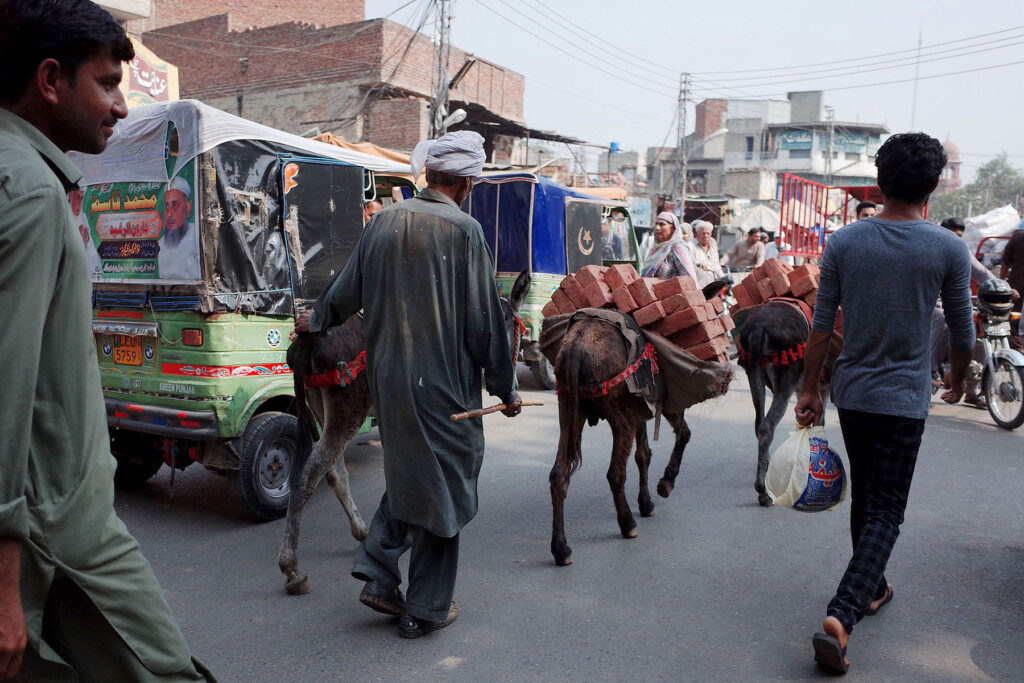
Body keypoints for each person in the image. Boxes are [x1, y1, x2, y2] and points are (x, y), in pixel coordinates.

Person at [0, 1, 212, 679]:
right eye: (107, 83)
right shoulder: (29, 192)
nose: (121, 106)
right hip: (58, 532)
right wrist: (5, 569)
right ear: (50, 80)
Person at [294, 130, 522, 639]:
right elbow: (486, 324)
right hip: (443, 389)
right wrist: (506, 388)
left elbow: (344, 290)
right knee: (448, 488)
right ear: (466, 184)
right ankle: (425, 606)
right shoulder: (465, 231)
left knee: (413, 474)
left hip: (389, 384)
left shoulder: (383, 222)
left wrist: (317, 319)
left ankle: (378, 570)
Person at [794, 133, 973, 674]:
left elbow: (821, 325)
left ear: (879, 180)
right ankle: (843, 613)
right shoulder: (947, 248)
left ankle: (874, 587)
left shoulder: (845, 242)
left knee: (869, 498)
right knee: (887, 510)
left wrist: (809, 389)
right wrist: (958, 379)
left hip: (853, 394)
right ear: (934, 186)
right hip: (903, 399)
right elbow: (962, 330)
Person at [930, 217, 994, 406]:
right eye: (953, 234)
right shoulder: (931, 249)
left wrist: (1001, 287)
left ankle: (973, 390)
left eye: (959, 235)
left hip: (960, 302)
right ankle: (931, 369)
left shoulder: (961, 250)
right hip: (935, 302)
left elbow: (982, 273)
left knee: (979, 334)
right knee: (942, 318)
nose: (956, 239)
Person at [157, 174, 199, 280]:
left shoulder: (198, 236)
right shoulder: (160, 245)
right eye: (167, 206)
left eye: (175, 205)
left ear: (188, 207)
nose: (169, 214)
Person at [641, 211, 698, 282]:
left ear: (673, 228)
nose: (657, 228)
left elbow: (688, 277)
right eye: (656, 224)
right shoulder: (657, 249)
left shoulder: (678, 247)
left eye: (662, 224)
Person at [998, 224, 1024, 350]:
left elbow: (1005, 262)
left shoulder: (1018, 236)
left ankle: (1017, 348)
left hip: (1017, 284)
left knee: (1012, 318)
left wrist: (1001, 284)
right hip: (1017, 284)